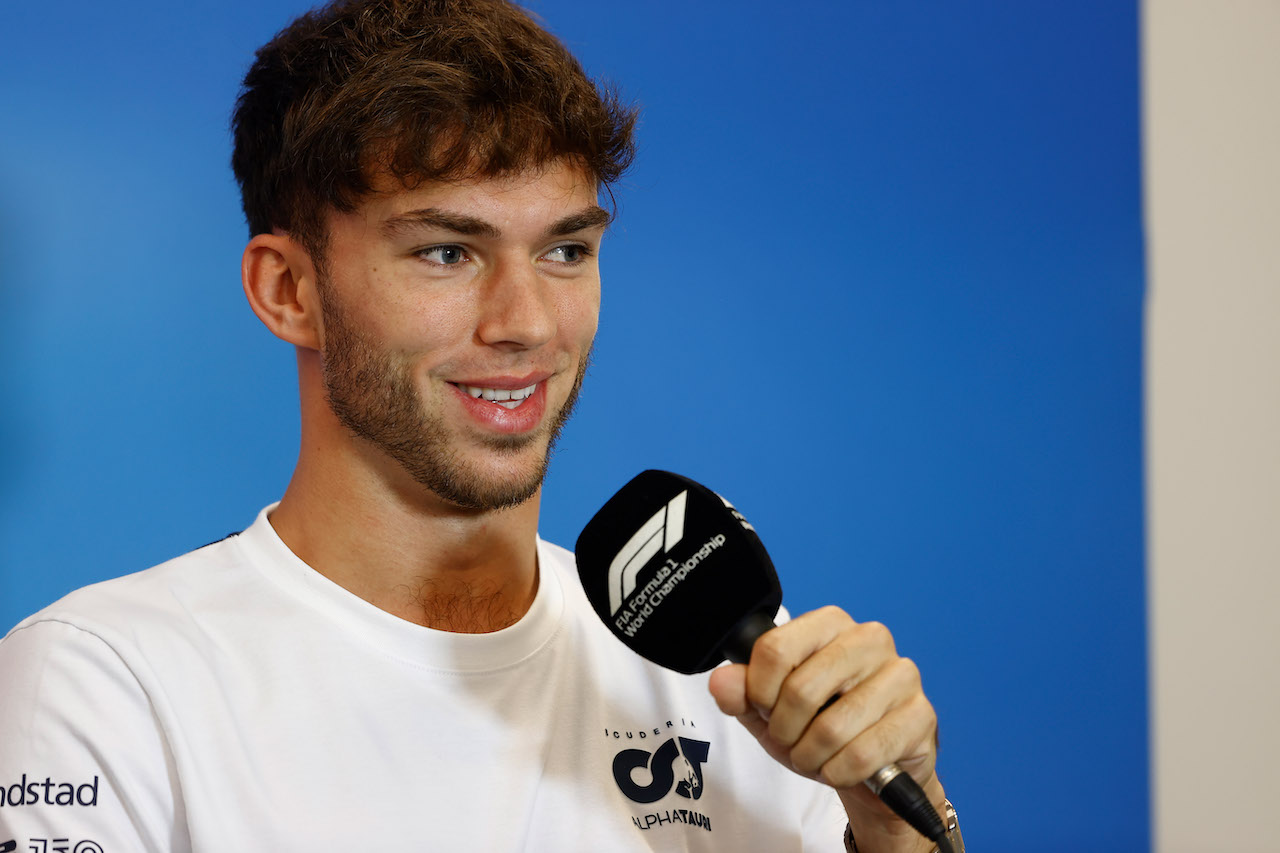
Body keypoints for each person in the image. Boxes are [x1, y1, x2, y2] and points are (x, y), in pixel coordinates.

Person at [0, 1, 955, 850]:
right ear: (287, 289)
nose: (528, 322)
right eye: (449, 250)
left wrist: (894, 832)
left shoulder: (733, 669)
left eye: (566, 249)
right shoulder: (103, 685)